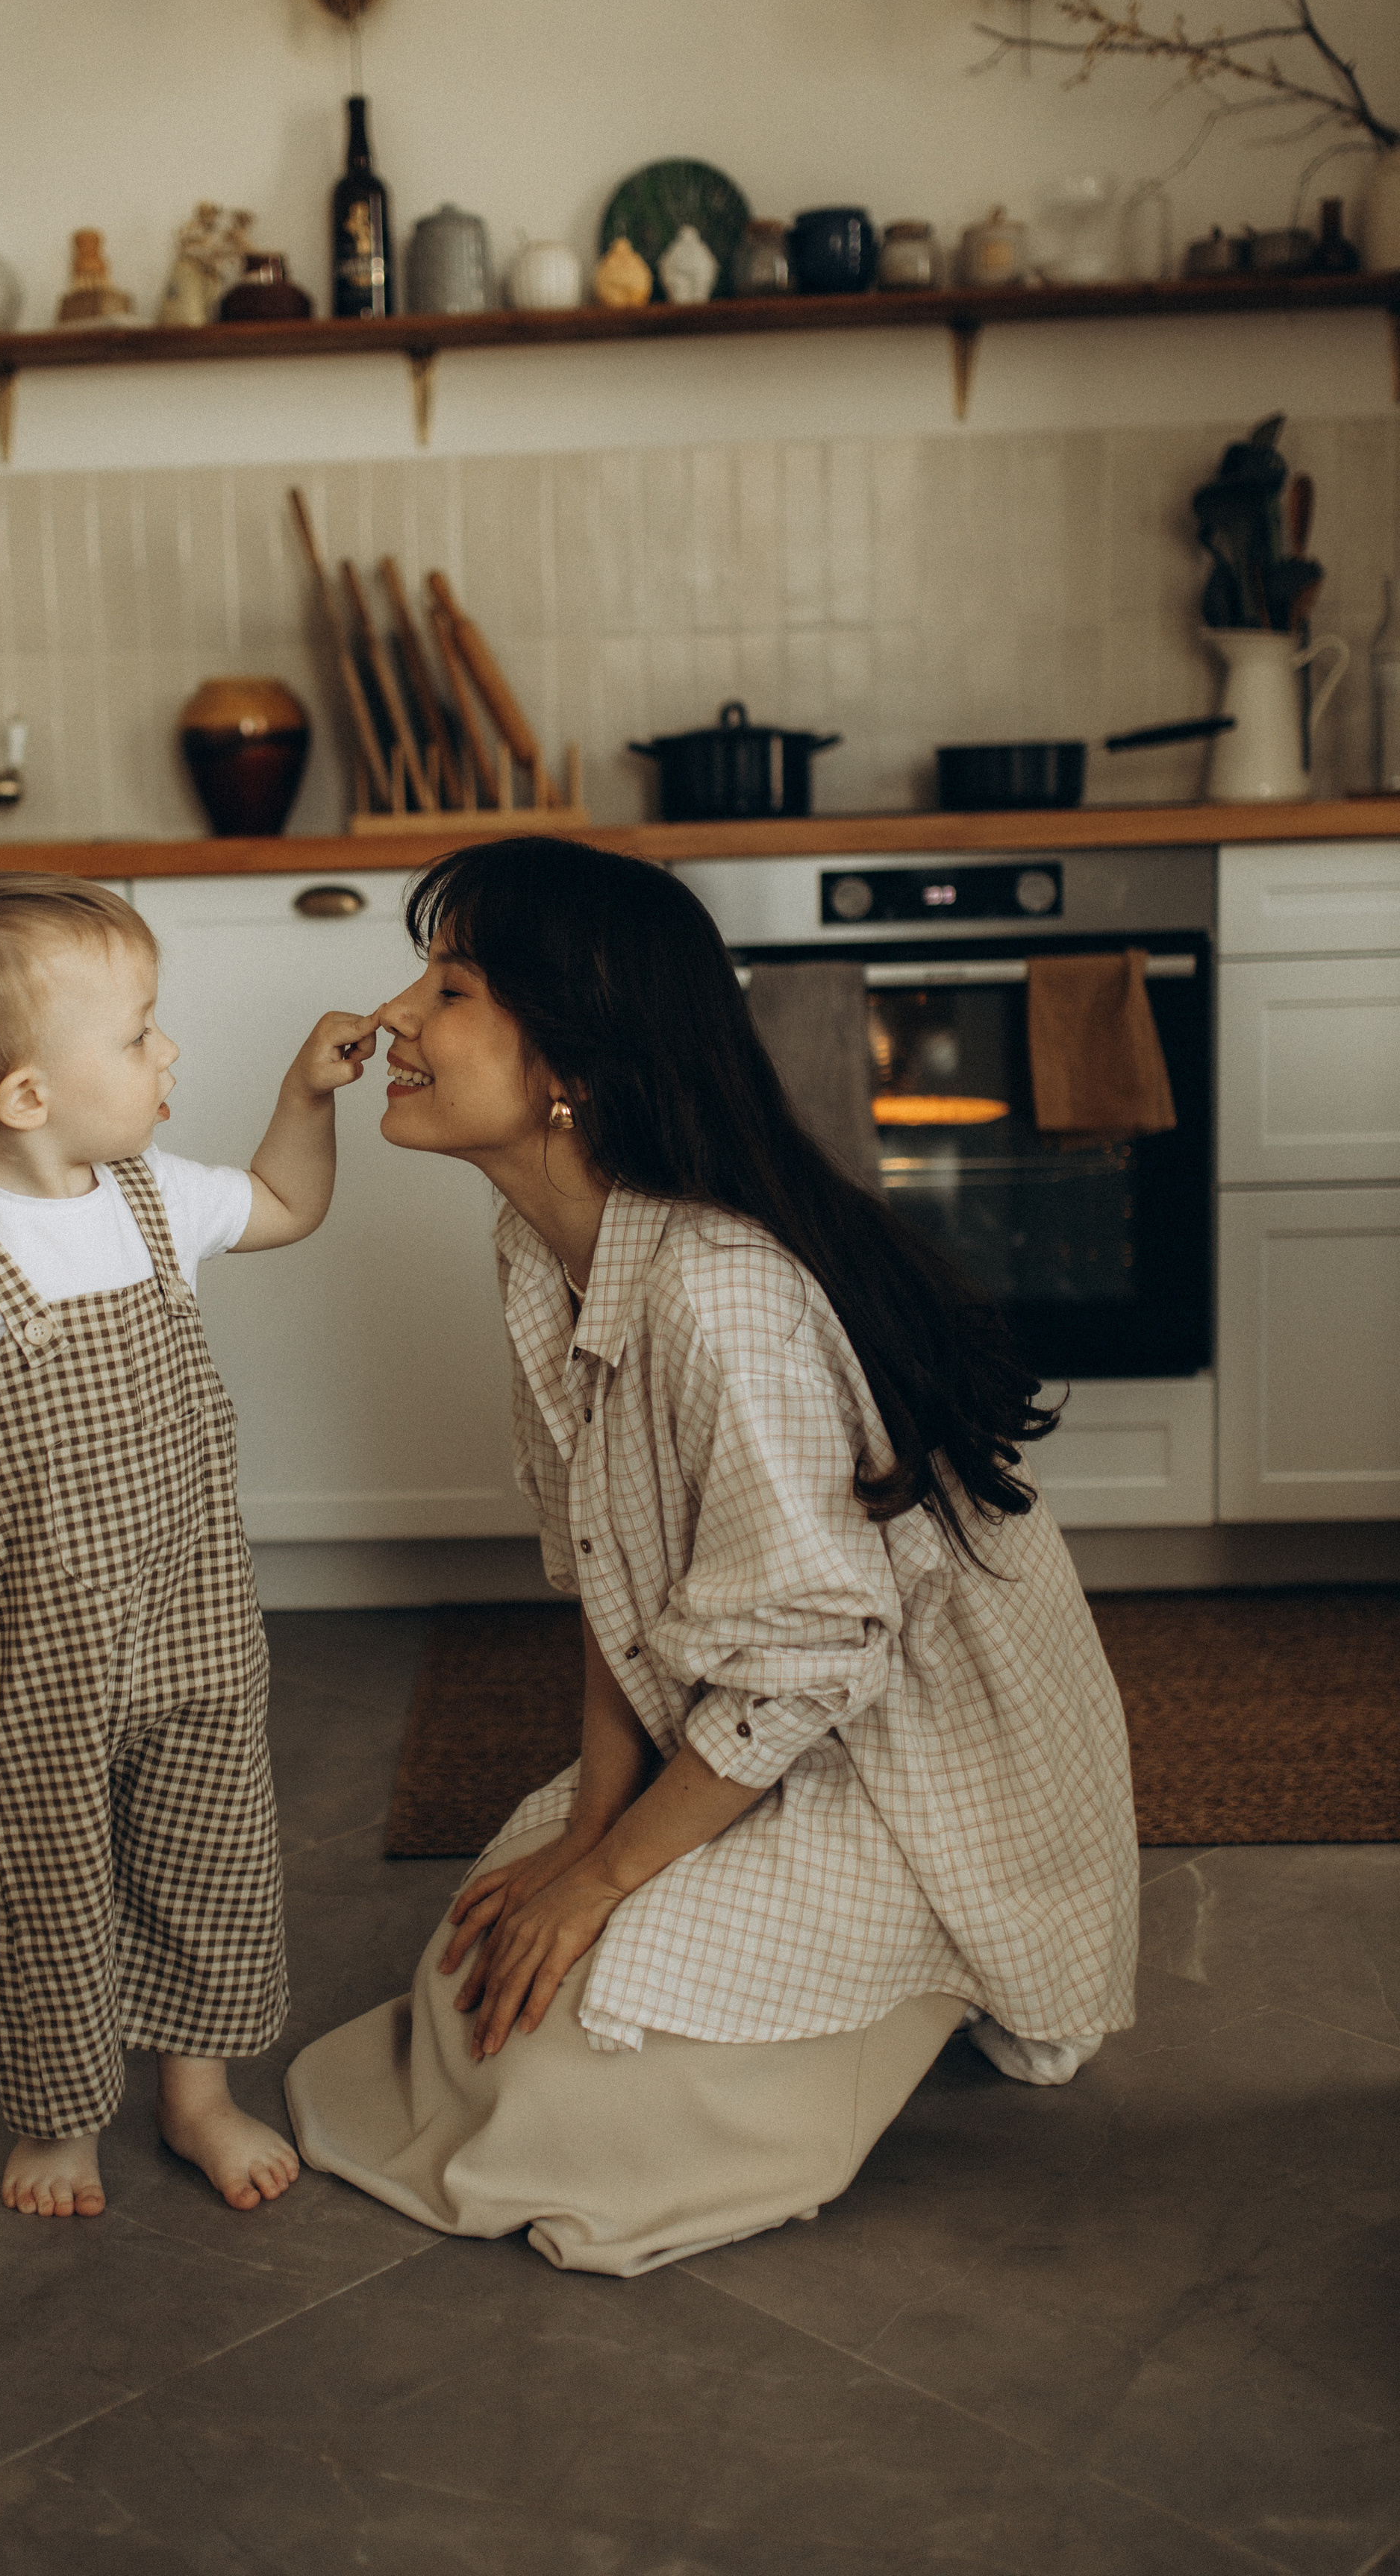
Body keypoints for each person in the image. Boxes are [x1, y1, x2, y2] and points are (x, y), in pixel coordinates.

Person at [286, 837, 1140, 2278]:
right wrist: (583, 1835)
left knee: (567, 2040)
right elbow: (606, 1573)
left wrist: (612, 1881)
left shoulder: (720, 1299)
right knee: (476, 1974)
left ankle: (911, 1991)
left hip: (918, 1776)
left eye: (455, 986)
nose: (398, 1021)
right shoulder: (536, 1243)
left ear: (577, 1060)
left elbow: (822, 1660)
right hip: (756, 1721)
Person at [0, 870, 375, 2221]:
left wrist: (305, 1100)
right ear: (25, 1097)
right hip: (24, 1654)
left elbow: (287, 1207)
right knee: (40, 1884)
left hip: (188, 1622)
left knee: (207, 1854)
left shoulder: (155, 1198)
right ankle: (60, 2114)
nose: (168, 1050)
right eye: (138, 1032)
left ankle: (197, 2095)